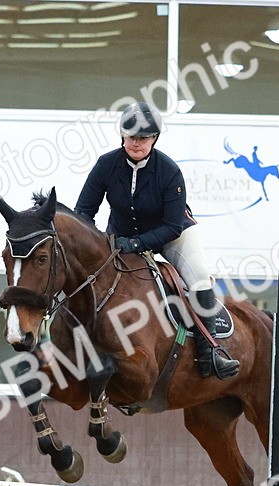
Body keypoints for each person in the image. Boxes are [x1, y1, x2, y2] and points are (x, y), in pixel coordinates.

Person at [75, 101, 239, 380]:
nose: (136, 143)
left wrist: (137, 244)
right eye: (131, 136)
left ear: (154, 139)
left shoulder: (169, 171)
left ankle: (211, 350)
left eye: (143, 137)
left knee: (199, 276)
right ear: (122, 136)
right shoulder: (106, 165)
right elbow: (83, 213)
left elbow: (173, 225)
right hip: (121, 237)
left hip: (171, 236)